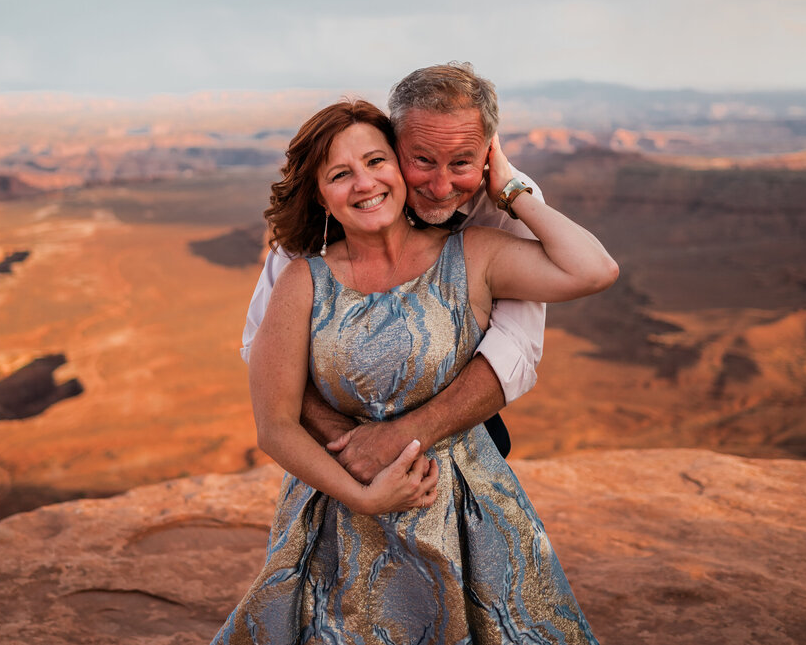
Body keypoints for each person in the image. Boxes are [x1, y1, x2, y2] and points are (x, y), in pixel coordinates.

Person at [213, 98, 616, 643]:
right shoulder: (301, 280)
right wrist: (363, 495)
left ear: (400, 169)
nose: (364, 183)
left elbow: (594, 270)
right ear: (321, 196)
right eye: (340, 174)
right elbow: (275, 424)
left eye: (377, 162)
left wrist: (513, 187)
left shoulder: (473, 253)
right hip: (339, 506)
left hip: (467, 506)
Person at [243, 63, 556, 481]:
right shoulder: (334, 210)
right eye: (423, 160)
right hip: (342, 457)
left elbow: (515, 345)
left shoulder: (506, 202)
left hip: (460, 446)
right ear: (397, 145)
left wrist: (403, 440)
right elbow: (261, 345)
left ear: (488, 152)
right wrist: (351, 445)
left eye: (462, 163)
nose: (441, 187)